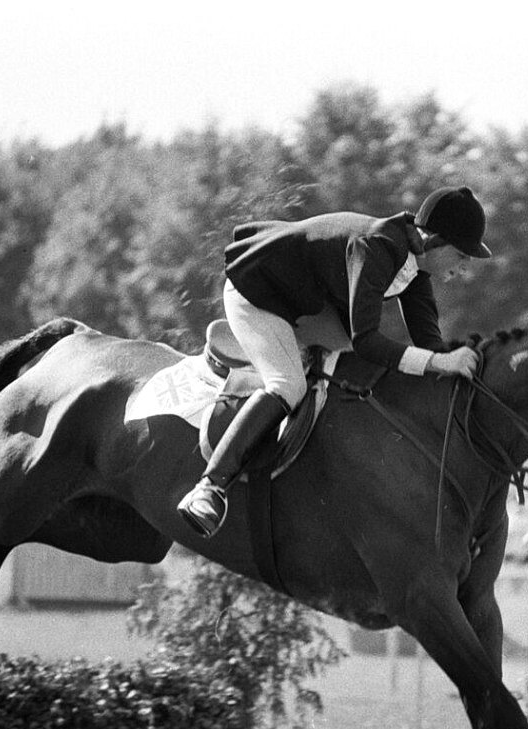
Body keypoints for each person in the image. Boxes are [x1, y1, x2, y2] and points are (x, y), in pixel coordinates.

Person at [176, 186, 491, 538]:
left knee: (356, 372)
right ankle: (210, 488)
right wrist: (437, 362)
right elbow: (367, 340)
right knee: (288, 385)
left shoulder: (415, 267)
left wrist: (469, 364)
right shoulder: (377, 246)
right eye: (461, 254)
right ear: (434, 240)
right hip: (258, 295)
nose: (464, 266)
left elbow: (431, 346)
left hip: (304, 303)